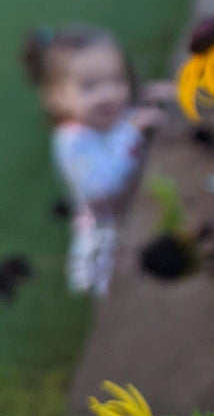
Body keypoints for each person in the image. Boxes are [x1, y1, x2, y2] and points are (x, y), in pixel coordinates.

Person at [23, 25, 169, 298]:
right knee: (119, 288)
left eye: (117, 80)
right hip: (103, 231)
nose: (108, 94)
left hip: (127, 213)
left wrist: (148, 95)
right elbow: (102, 185)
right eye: (89, 86)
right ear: (55, 96)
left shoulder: (106, 118)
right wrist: (132, 132)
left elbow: (121, 117)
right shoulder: (72, 141)